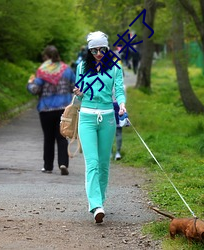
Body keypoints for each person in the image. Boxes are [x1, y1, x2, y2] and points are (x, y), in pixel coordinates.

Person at [73, 31, 126, 223]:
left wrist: (121, 104)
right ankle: (95, 204)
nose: (98, 53)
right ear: (89, 50)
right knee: (92, 163)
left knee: (104, 164)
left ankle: (100, 201)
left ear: (107, 48)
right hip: (86, 117)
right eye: (94, 50)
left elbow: (119, 90)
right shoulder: (81, 67)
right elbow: (78, 95)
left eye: (101, 49)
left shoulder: (114, 68)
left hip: (108, 118)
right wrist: (78, 92)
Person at [27, 45, 75, 175]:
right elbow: (74, 87)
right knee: (62, 136)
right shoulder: (67, 70)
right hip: (63, 109)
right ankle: (63, 163)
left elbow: (35, 90)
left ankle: (48, 167)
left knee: (48, 138)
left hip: (46, 109)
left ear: (46, 57)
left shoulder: (42, 71)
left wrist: (30, 83)